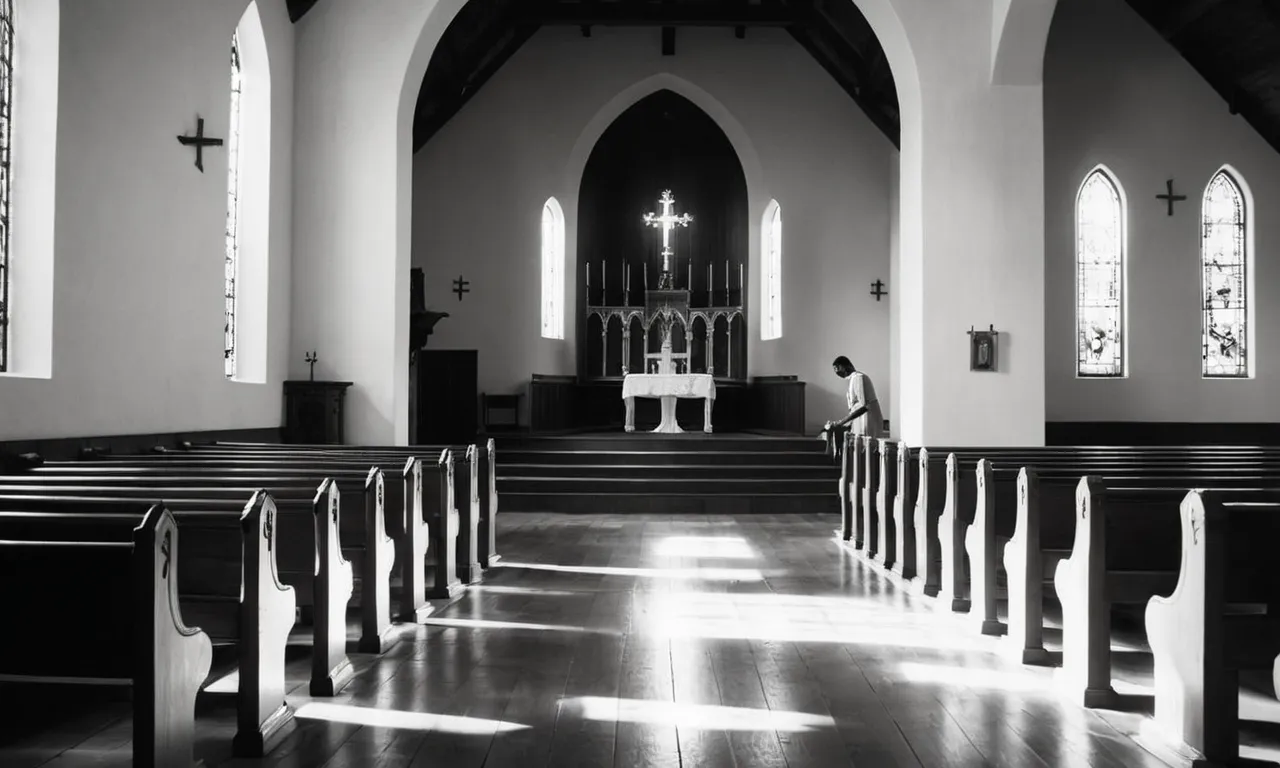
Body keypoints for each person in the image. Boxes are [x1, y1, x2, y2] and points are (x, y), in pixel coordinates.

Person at [823, 356, 884, 458]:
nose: (836, 372)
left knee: (867, 452)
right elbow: (854, 408)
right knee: (859, 453)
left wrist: (841, 422)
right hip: (860, 420)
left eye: (836, 368)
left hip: (868, 420)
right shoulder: (853, 379)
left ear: (843, 366)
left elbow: (863, 405)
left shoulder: (858, 377)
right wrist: (844, 423)